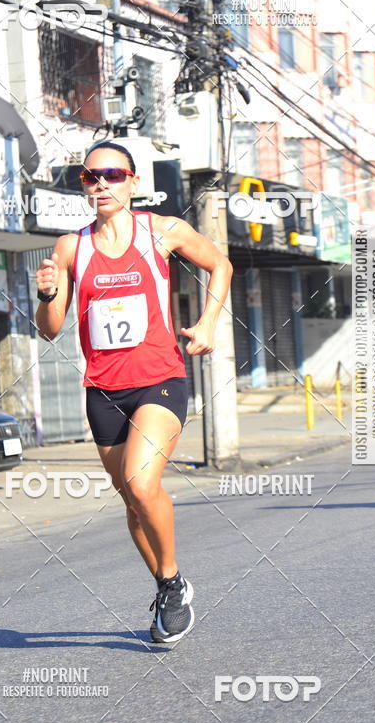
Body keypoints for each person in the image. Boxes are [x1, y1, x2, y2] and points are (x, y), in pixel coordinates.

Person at [35, 140, 232, 644]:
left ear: (134, 181)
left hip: (160, 379)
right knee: (132, 501)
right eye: (90, 176)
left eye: (113, 174)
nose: (101, 183)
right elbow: (49, 329)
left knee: (141, 484)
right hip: (103, 390)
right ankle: (171, 585)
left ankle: (171, 582)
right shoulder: (70, 247)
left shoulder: (161, 231)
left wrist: (208, 322)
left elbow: (220, 265)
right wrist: (47, 293)